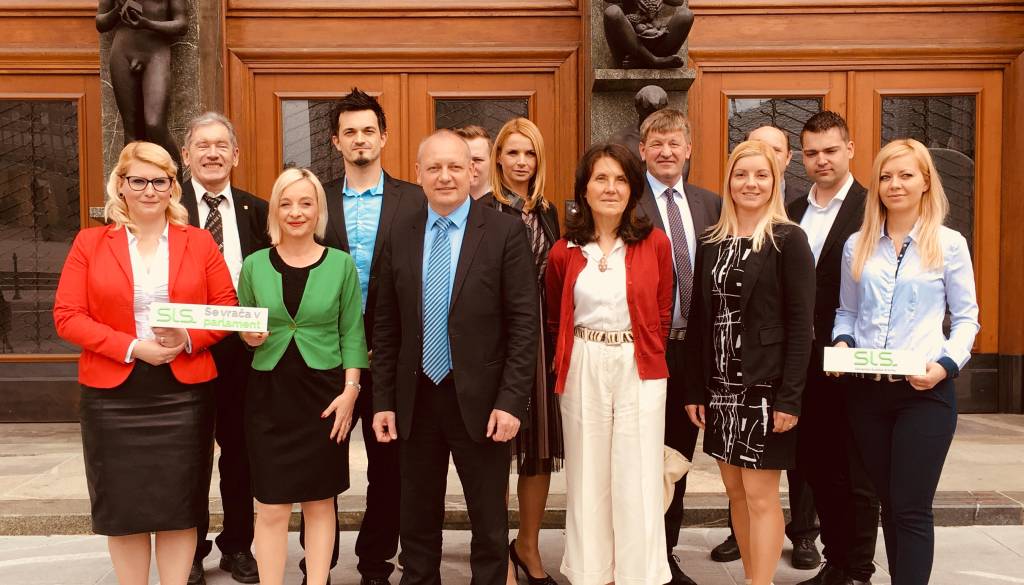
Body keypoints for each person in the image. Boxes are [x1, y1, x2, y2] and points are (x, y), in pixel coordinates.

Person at [53, 141, 237, 585]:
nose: (149, 190)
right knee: (124, 510)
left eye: (159, 180)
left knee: (180, 507)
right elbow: (67, 316)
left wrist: (187, 338)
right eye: (138, 181)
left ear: (173, 186)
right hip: (111, 397)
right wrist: (134, 347)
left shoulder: (199, 242)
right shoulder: (90, 243)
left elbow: (226, 308)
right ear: (121, 185)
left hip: (184, 394)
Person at [371, 130, 539, 585]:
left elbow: (525, 325)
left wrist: (511, 402)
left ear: (472, 171)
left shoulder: (504, 232)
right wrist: (383, 400)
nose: (444, 176)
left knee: (489, 523)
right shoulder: (399, 233)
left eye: (454, 167)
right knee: (416, 520)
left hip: (484, 403)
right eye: (434, 167)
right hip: (416, 398)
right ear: (418, 174)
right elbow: (386, 326)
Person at [831, 138, 979, 585]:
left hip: (925, 393)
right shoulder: (857, 244)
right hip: (868, 394)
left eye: (906, 175)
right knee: (890, 505)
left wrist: (945, 366)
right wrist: (842, 342)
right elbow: (847, 311)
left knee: (912, 507)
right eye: (886, 176)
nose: (894, 184)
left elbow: (967, 319)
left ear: (925, 181)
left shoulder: (950, 244)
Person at [683, 140, 815, 585]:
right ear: (729, 181)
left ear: (775, 182)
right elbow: (700, 321)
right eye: (741, 174)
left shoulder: (788, 239)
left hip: (764, 389)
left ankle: (761, 582)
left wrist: (790, 398)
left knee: (760, 496)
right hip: (721, 388)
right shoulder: (712, 241)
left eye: (761, 175)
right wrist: (695, 388)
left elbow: (801, 327)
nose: (750, 183)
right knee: (735, 493)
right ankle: (751, 577)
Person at [546, 142, 674, 585]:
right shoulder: (564, 250)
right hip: (583, 361)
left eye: (620, 179)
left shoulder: (655, 243)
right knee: (587, 476)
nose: (610, 188)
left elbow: (662, 310)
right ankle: (591, 574)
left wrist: (641, 350)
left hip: (639, 363)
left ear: (633, 188)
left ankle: (638, 575)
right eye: (600, 178)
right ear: (583, 188)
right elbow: (555, 315)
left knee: (637, 474)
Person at [237, 167, 369, 585]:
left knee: (320, 502)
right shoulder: (254, 265)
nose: (296, 212)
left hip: (324, 397)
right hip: (268, 396)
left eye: (305, 203)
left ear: (318, 210)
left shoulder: (341, 265)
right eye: (286, 203)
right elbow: (244, 325)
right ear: (275, 210)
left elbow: (352, 332)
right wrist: (248, 337)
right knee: (271, 506)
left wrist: (351, 392)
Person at [317, 87, 424, 585]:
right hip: (326, 356)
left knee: (390, 467)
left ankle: (375, 563)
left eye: (367, 130)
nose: (359, 139)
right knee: (321, 467)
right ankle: (317, 563)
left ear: (384, 137)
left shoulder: (415, 199)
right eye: (349, 132)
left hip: (391, 355)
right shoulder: (315, 199)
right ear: (335, 142)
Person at [789, 111, 879, 585]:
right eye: (811, 153)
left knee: (856, 472)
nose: (821, 160)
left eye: (830, 150)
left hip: (854, 359)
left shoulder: (872, 207)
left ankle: (858, 568)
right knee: (816, 465)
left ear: (850, 149)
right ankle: (835, 561)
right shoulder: (792, 210)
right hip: (803, 363)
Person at [181, 111, 269, 585]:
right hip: (186, 350)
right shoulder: (168, 207)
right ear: (186, 155)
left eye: (221, 146)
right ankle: (190, 549)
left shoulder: (260, 211)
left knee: (241, 453)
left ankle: (238, 545)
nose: (212, 154)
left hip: (245, 354)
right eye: (202, 145)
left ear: (235, 155)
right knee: (190, 454)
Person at [634, 107, 720, 585]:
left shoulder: (712, 204)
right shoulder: (628, 202)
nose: (666, 151)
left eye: (674, 143)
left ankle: (664, 556)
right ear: (642, 150)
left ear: (688, 149)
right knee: (637, 458)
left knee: (677, 458)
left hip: (694, 352)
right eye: (657, 143)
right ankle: (635, 553)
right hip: (645, 349)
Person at [484, 117, 563, 585]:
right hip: (497, 342)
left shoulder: (550, 212)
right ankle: (496, 554)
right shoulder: (483, 210)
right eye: (512, 152)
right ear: (498, 158)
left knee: (538, 451)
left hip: (544, 342)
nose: (521, 161)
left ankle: (528, 545)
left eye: (529, 153)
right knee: (496, 452)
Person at [748, 125, 804, 206]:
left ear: (788, 157)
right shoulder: (729, 204)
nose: (768, 155)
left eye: (775, 150)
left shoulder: (808, 206)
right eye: (758, 148)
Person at [455, 125, 493, 199]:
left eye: (477, 160)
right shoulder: (438, 202)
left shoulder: (508, 204)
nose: (470, 167)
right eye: (464, 160)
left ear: (492, 162)